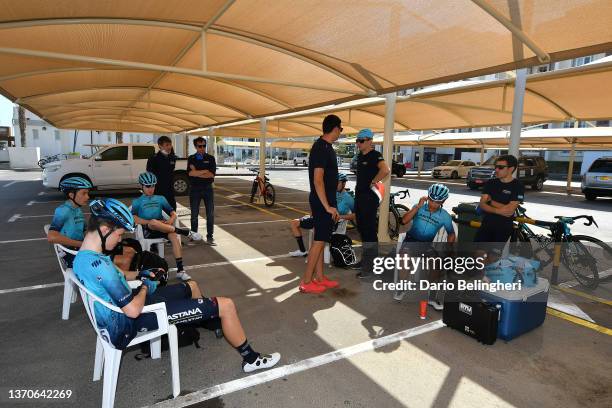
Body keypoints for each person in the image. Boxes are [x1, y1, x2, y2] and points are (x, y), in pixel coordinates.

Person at [73, 198, 280, 373]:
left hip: (123, 311)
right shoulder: (99, 265)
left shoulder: (85, 257)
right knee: (226, 305)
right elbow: (134, 310)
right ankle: (251, 359)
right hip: (131, 321)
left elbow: (124, 276)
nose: (119, 241)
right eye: (119, 235)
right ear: (104, 229)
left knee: (191, 285)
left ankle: (206, 318)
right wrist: (145, 284)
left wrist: (143, 274)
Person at [131, 172, 202, 281]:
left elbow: (173, 213)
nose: (151, 189)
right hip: (148, 229)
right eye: (148, 186)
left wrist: (170, 220)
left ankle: (180, 270)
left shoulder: (160, 198)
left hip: (163, 227)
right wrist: (148, 221)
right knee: (153, 222)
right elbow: (134, 218)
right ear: (141, 186)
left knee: (173, 237)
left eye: (153, 186)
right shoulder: (137, 202)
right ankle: (186, 232)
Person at [299, 115, 342, 294]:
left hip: (324, 200)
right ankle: (306, 281)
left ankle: (319, 277)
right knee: (319, 241)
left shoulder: (326, 147)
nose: (341, 132)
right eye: (340, 128)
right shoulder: (321, 148)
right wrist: (327, 206)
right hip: (321, 202)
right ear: (335, 128)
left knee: (320, 238)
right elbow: (318, 180)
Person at [398, 183, 456, 310]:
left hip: (427, 245)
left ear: (443, 201)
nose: (433, 204)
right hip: (410, 241)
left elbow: (451, 234)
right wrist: (417, 206)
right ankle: (402, 287)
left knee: (437, 263)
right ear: (427, 197)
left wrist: (448, 247)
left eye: (437, 201)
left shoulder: (445, 216)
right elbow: (403, 221)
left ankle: (432, 297)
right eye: (431, 199)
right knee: (404, 258)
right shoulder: (419, 207)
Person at [289, 173, 355, 257]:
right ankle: (303, 251)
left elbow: (356, 215)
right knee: (294, 223)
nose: (334, 185)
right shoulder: (332, 193)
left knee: (315, 232)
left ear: (344, 183)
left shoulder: (348, 198)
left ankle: (313, 255)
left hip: (331, 224)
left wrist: (341, 217)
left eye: (337, 182)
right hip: (321, 218)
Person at [353, 129, 390, 279]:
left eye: (361, 140)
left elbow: (385, 169)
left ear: (370, 141)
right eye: (357, 140)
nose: (358, 143)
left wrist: (374, 181)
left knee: (369, 232)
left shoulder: (375, 155)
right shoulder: (360, 155)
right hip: (360, 197)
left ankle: (371, 267)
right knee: (362, 229)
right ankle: (365, 261)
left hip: (369, 198)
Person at [474, 154, 524, 249]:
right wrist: (500, 210)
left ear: (511, 169)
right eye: (496, 167)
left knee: (493, 259)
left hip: (503, 228)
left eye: (500, 167)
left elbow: (509, 211)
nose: (496, 170)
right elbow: (482, 204)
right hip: (486, 225)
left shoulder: (518, 186)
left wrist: (491, 202)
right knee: (479, 256)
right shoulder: (491, 183)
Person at [47, 176, 92, 267]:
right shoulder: (62, 210)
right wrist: (81, 244)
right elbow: (52, 237)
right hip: (71, 252)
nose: (88, 197)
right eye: (84, 193)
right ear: (71, 195)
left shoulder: (77, 209)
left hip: (80, 249)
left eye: (87, 193)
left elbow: (85, 230)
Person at [187, 137, 217, 246]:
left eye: (204, 145)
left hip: (208, 189)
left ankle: (210, 237)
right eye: (200, 146)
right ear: (195, 147)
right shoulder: (191, 158)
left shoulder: (211, 158)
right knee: (194, 214)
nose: (202, 148)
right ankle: (194, 237)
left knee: (210, 214)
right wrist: (205, 170)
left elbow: (211, 175)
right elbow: (190, 174)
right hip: (195, 189)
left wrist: (196, 171)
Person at [147, 136, 178, 210]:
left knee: (172, 209)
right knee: (160, 213)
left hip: (170, 190)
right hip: (158, 191)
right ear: (160, 146)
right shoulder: (154, 158)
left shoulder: (172, 157)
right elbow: (150, 174)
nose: (169, 147)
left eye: (170, 145)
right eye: (167, 145)